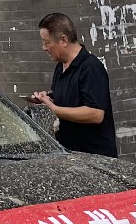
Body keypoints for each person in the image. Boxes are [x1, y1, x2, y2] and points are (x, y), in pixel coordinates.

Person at [29, 11, 118, 156]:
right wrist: (47, 99)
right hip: (70, 155)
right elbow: (69, 101)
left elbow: (96, 114)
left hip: (94, 157)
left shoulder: (91, 67)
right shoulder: (60, 67)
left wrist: (54, 109)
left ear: (63, 40)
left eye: (47, 43)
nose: (44, 47)